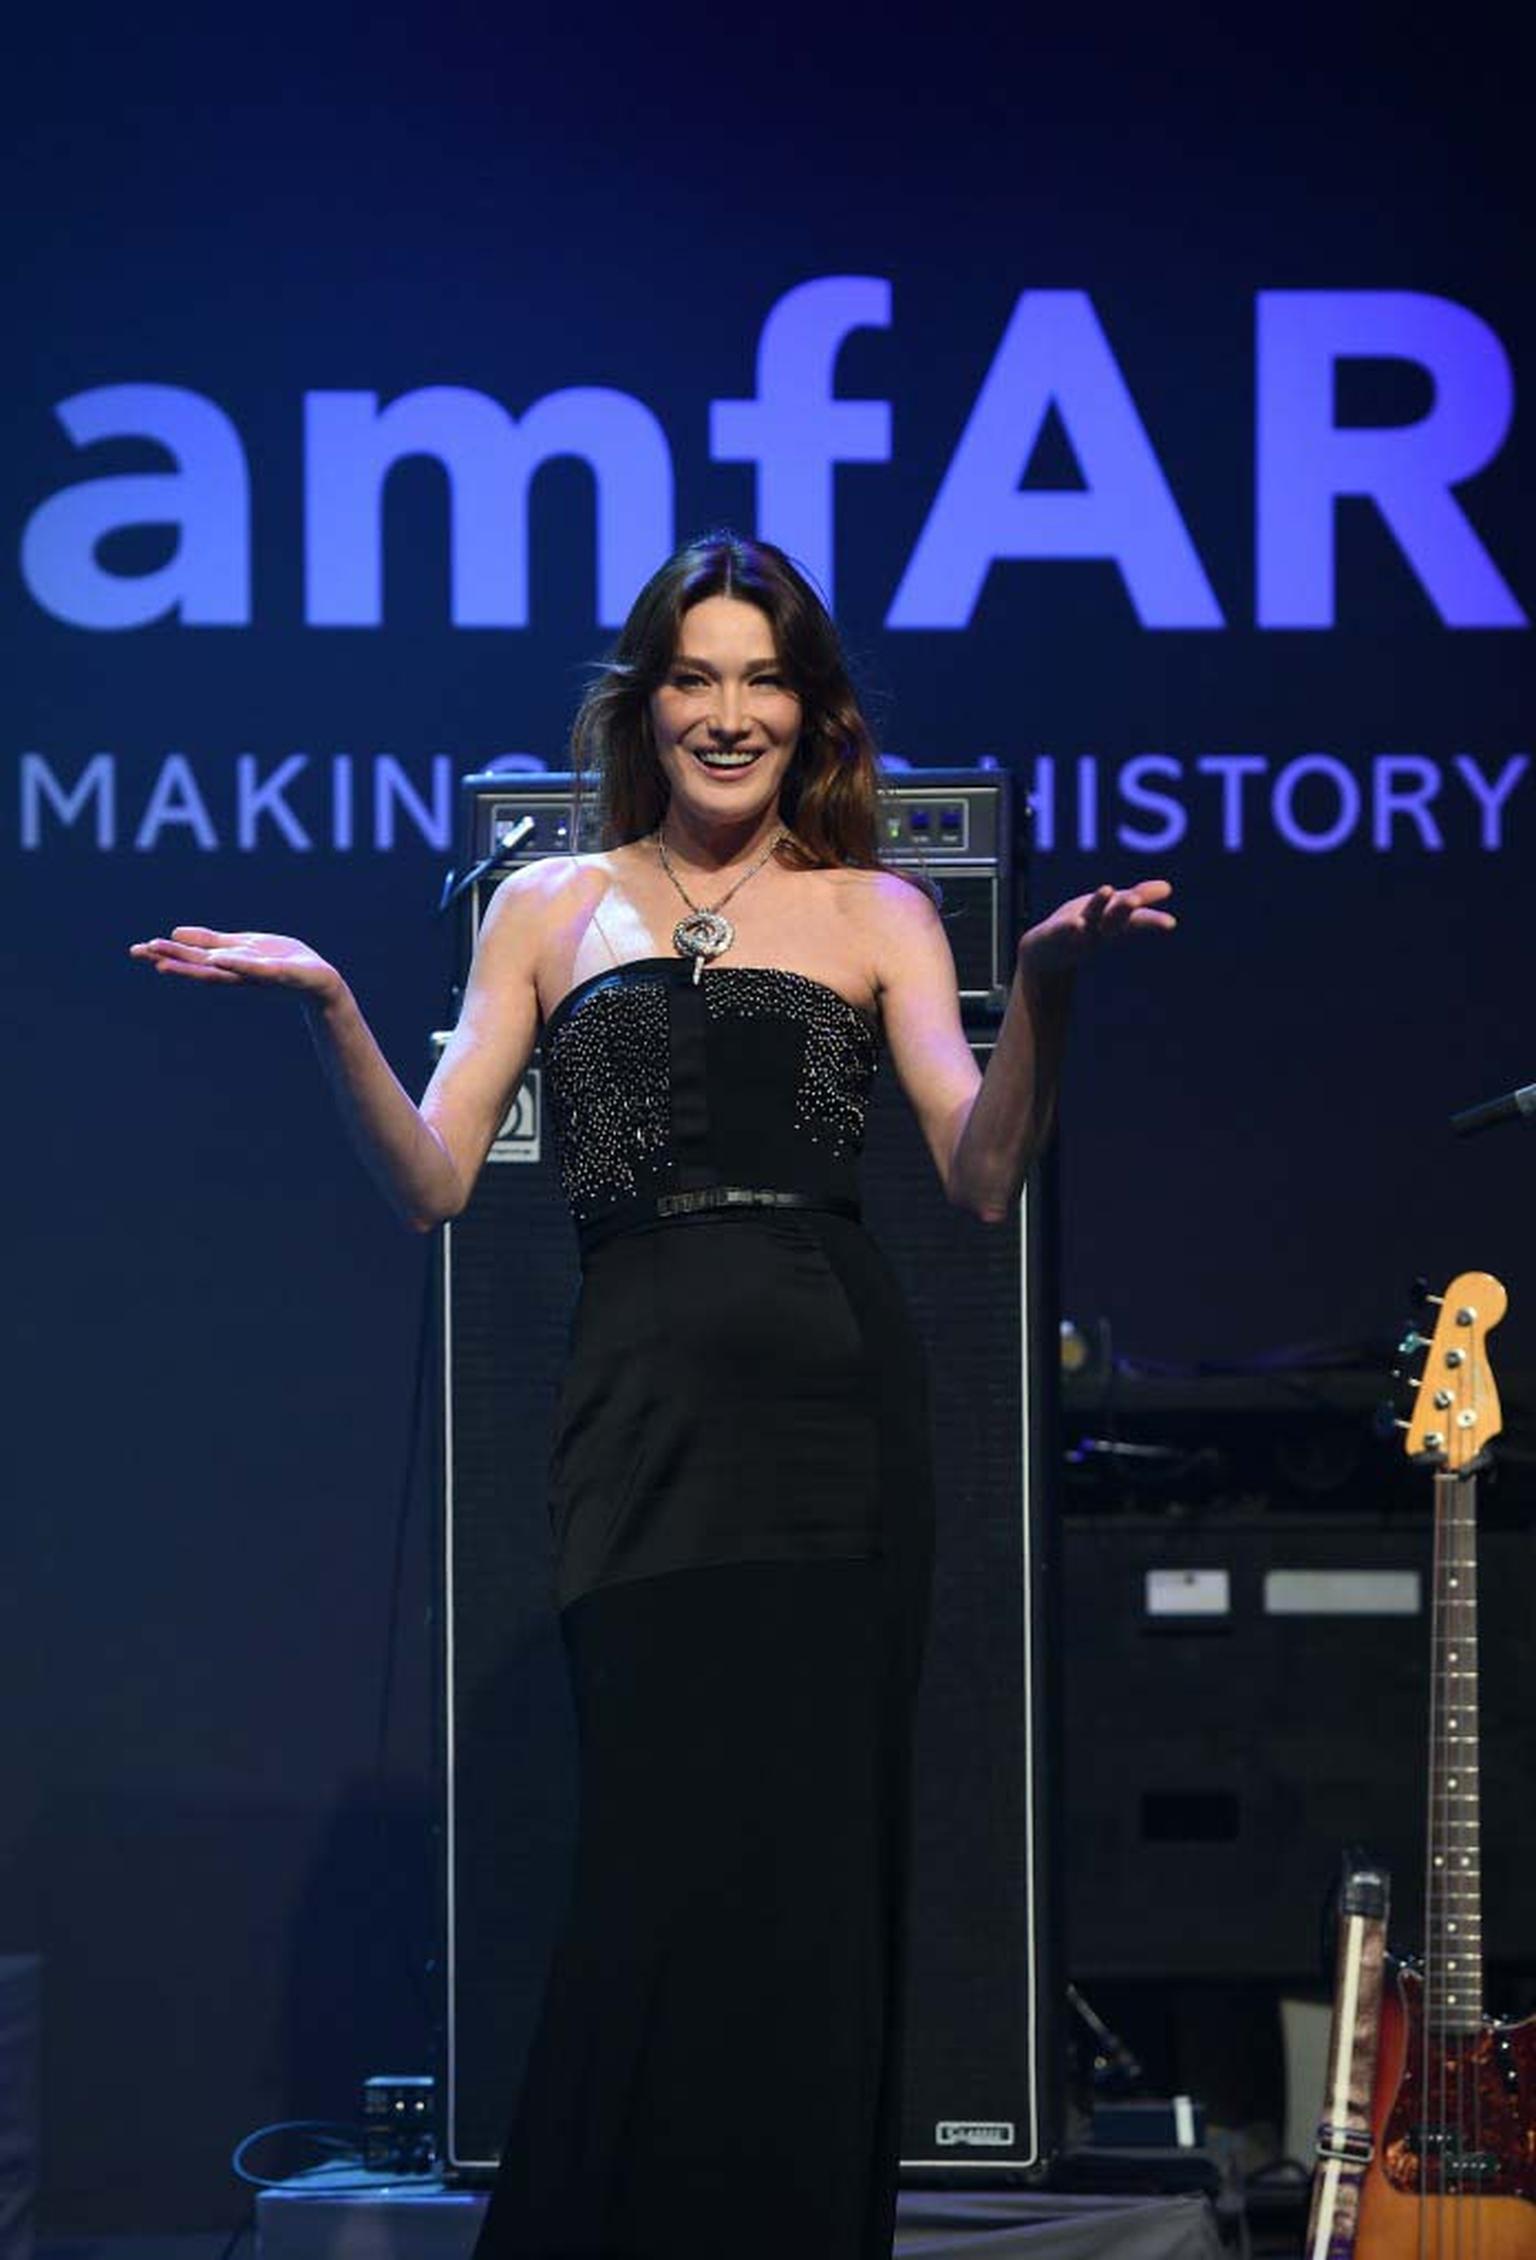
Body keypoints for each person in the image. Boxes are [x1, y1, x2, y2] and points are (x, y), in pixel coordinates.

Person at [131, 530, 1174, 2259]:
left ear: (812, 709)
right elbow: (435, 1181)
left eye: (764, 677)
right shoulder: (546, 903)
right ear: (648, 699)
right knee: (657, 1858)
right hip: (643, 1422)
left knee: (814, 1876)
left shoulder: (881, 912)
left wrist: (1048, 992)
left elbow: (983, 1173)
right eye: (696, 675)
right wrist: (327, 1005)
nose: (730, 711)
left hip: (837, 1424)